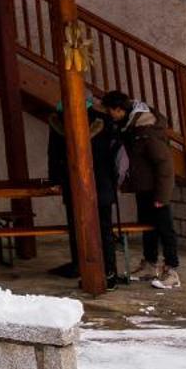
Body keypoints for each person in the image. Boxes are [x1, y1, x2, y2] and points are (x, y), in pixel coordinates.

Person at [104, 90, 181, 289]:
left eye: (110, 110)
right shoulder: (131, 128)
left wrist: (161, 196)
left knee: (165, 229)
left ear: (119, 110)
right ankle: (149, 263)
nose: (109, 115)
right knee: (148, 227)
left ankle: (172, 271)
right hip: (144, 188)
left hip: (156, 190)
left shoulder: (146, 131)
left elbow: (165, 165)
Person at [45, 98, 123, 285]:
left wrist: (55, 179)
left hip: (75, 183)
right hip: (102, 182)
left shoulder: (59, 122)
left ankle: (81, 265)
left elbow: (54, 153)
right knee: (104, 227)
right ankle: (109, 270)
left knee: (77, 226)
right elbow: (116, 154)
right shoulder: (104, 120)